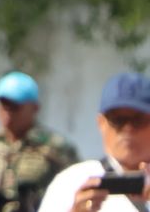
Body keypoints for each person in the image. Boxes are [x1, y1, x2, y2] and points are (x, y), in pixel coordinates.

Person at [36, 72, 150, 212]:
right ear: (101, 123)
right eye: (117, 120)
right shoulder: (72, 181)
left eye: (138, 120)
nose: (128, 129)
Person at [0, 72, 79, 211]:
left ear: (35, 108)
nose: (8, 112)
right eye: (3, 105)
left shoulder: (55, 147)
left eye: (14, 106)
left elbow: (76, 188)